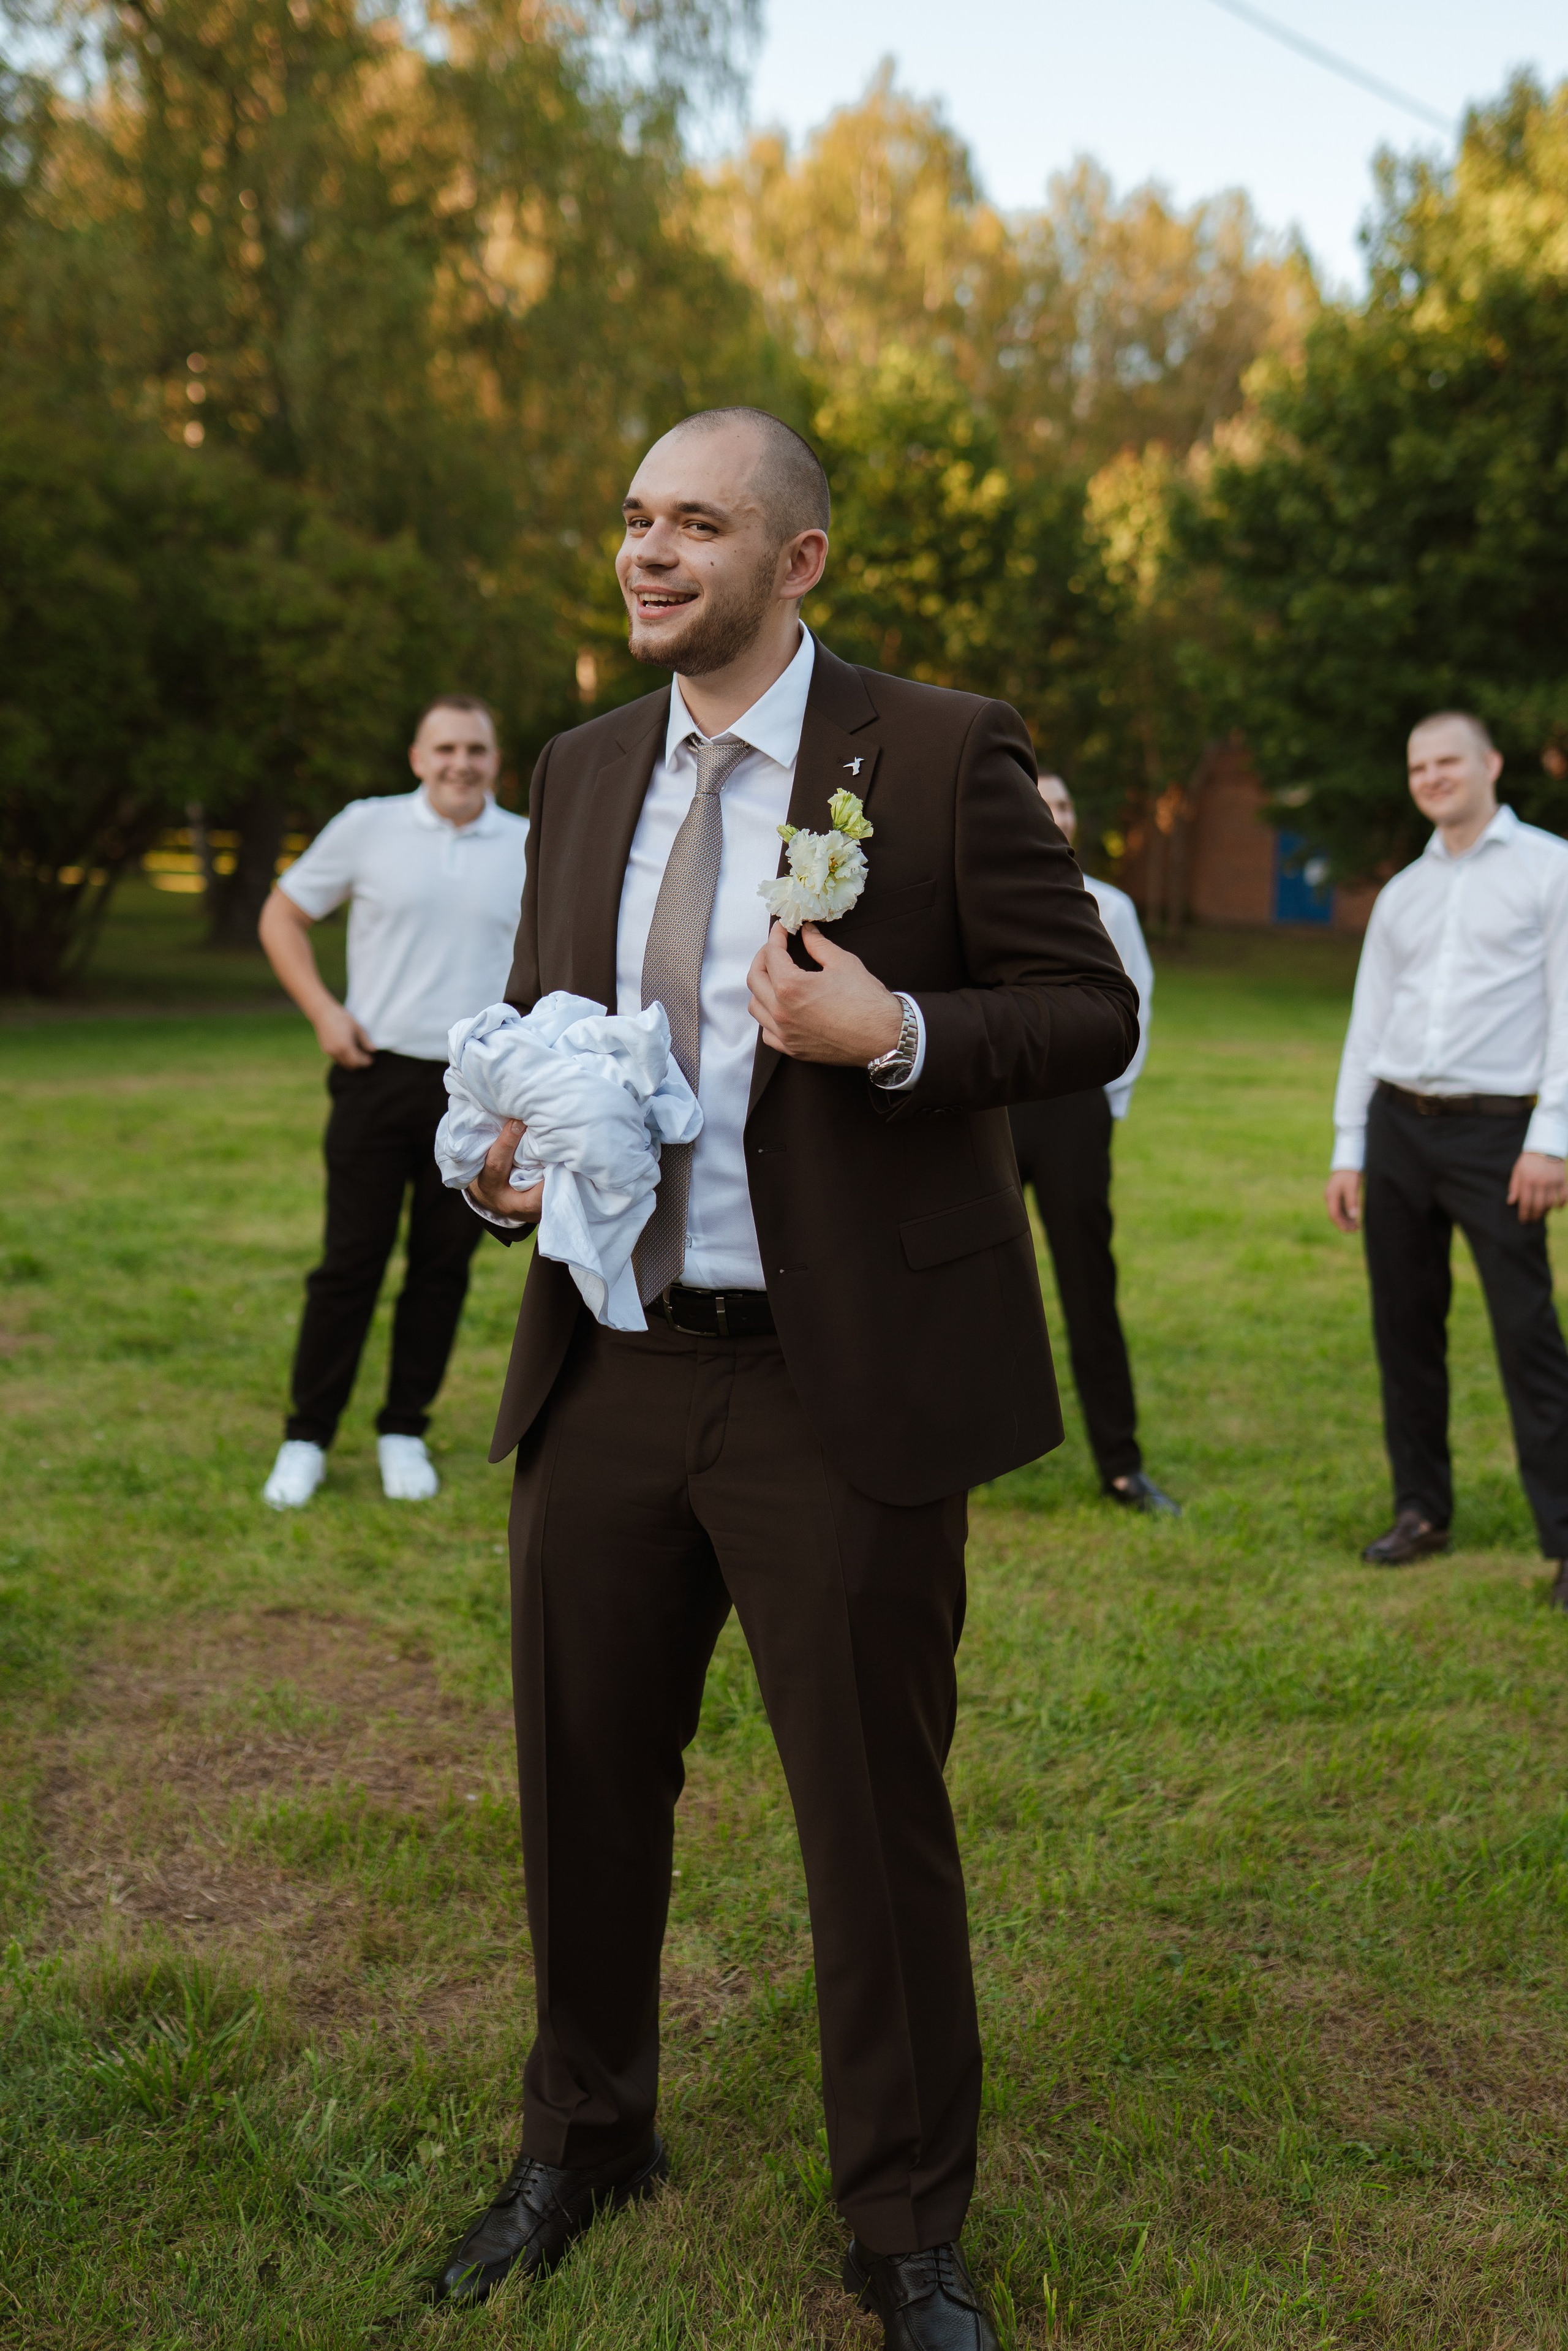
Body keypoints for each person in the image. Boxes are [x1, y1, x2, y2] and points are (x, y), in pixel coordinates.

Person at [421, 409, 1137, 2351]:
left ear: (797, 561)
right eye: (635, 518)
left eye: (698, 526)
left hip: (845, 1386)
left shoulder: (934, 748)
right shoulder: (576, 772)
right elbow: (554, 1037)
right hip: (611, 1367)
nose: (650, 555)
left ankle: (906, 2231)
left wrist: (894, 1025)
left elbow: (1091, 1007)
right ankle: (580, 2143)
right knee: (579, 1782)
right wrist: (503, 1159)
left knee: (868, 1815)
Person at [256, 697, 530, 1510]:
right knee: (350, 1263)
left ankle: (403, 1428)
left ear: (495, 759)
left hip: (475, 1092)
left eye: (475, 749)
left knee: (442, 1269)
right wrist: (323, 1011)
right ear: (417, 757)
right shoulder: (366, 827)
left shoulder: (525, 842)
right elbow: (283, 913)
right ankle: (306, 1436)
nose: (460, 763)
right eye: (444, 748)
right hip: (376, 1075)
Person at [1326, 710, 1568, 1599]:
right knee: (1404, 1327)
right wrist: (1350, 1148)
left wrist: (1553, 1137)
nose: (1432, 777)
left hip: (1499, 1135)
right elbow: (1368, 1023)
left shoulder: (1552, 870)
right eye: (1419, 766)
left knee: (1526, 1332)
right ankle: (1421, 1508)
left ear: (1490, 763)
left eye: (1448, 761)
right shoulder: (1403, 892)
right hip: (1398, 1127)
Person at [1007, 774, 1177, 1515]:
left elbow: (1130, 1008)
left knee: (1088, 1283)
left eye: (1067, 802)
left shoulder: (1111, 906)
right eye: (1039, 799)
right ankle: (964, 1447)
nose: (1055, 812)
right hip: (992, 1108)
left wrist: (1107, 1105)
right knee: (974, 1284)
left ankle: (1120, 1464)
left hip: (1077, 1111)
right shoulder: (979, 895)